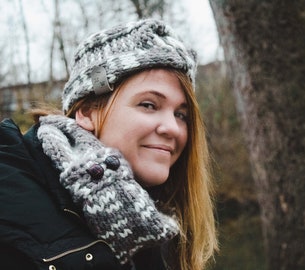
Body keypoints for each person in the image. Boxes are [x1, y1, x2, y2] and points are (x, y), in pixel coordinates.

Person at [0, 18, 218, 270]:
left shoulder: (158, 220)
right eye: (149, 105)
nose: (172, 128)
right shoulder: (9, 194)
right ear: (87, 112)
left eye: (181, 114)